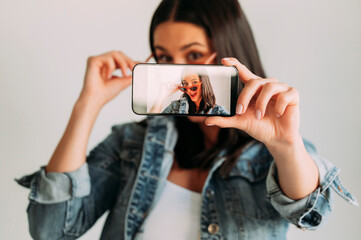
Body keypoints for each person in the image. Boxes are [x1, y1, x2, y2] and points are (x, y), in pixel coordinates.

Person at [16, 0, 358, 239]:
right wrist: (87, 105)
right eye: (164, 58)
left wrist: (285, 145)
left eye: (194, 56)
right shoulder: (131, 144)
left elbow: (311, 213)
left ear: (231, 50)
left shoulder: (276, 152)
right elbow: (50, 230)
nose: (179, 74)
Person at [150, 67, 230, 115]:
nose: (189, 90)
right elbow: (153, 125)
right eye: (185, 84)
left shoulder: (219, 111)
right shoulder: (175, 106)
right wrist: (162, 96)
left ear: (203, 83)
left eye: (194, 83)